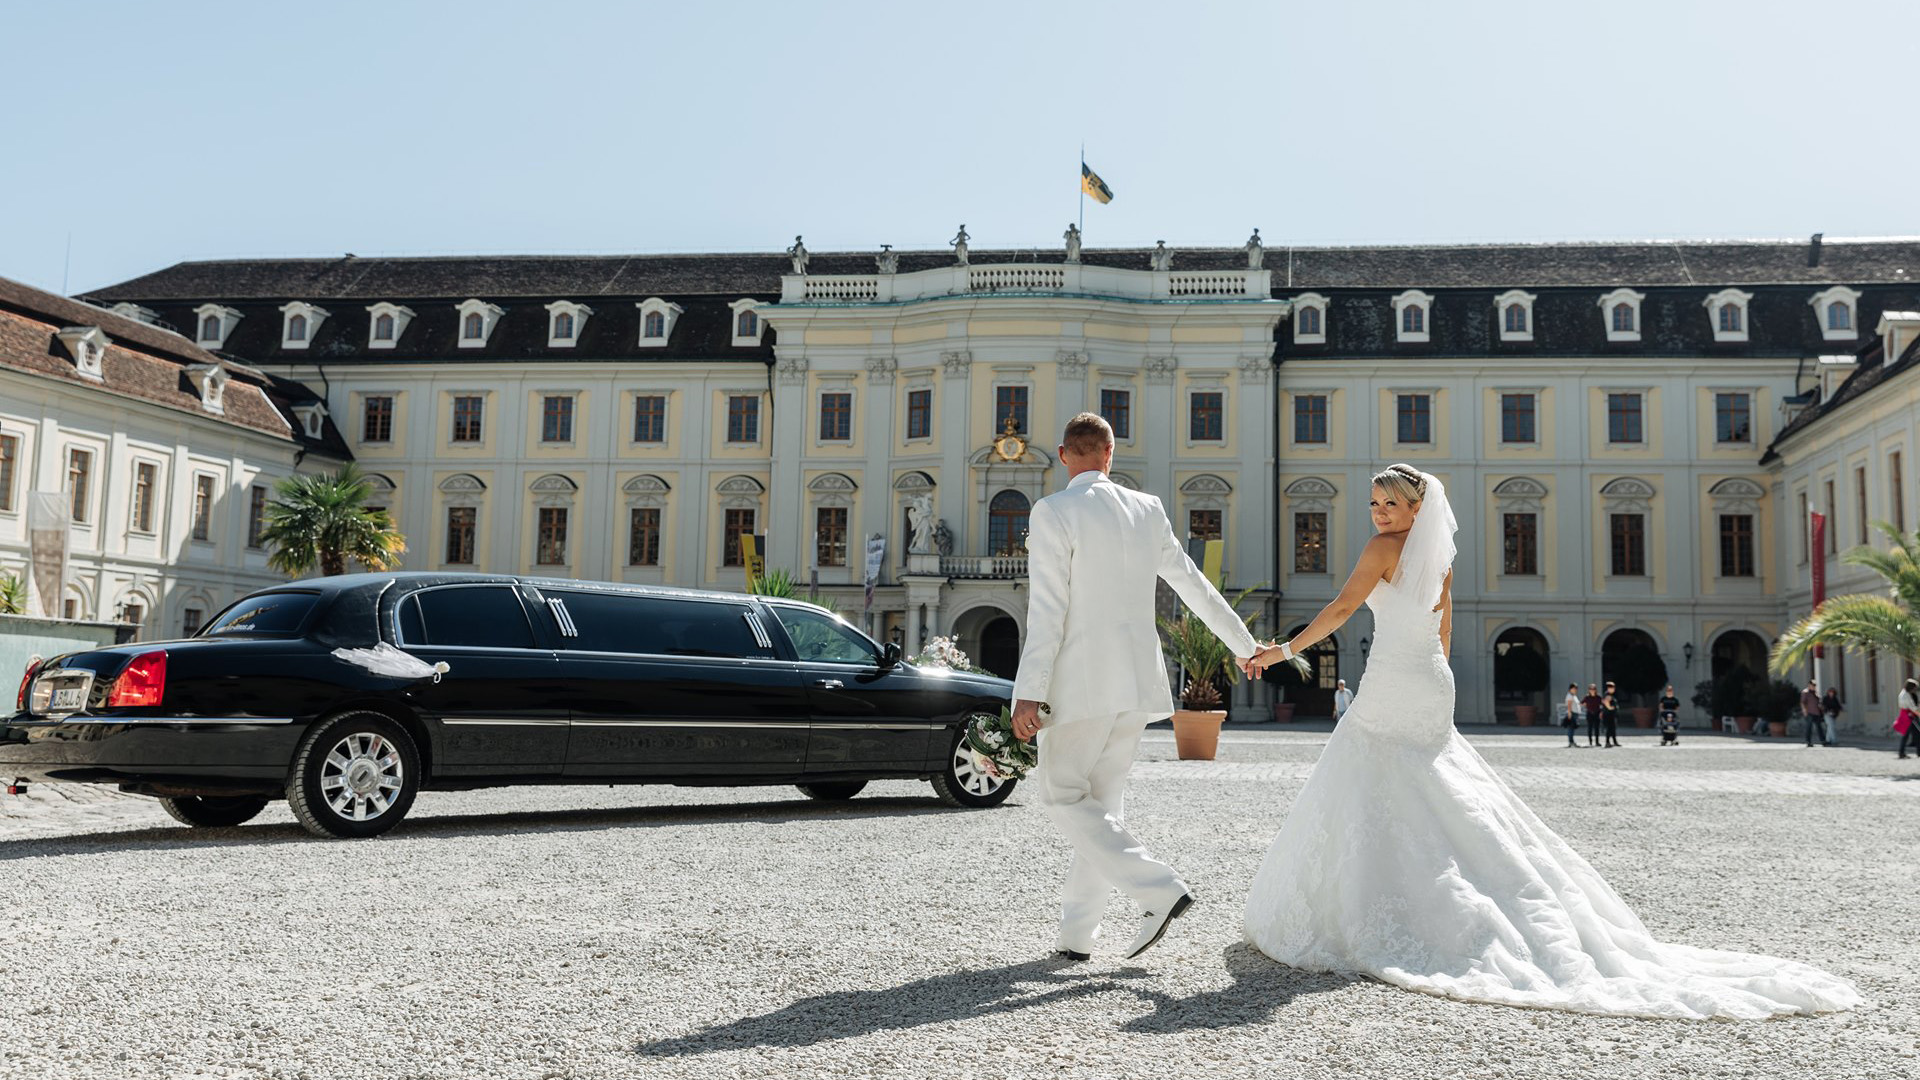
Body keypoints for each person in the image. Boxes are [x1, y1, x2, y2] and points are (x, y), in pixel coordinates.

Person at [1239, 463, 1859, 1017]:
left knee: (1372, 778)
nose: (1378, 514)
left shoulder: (1381, 549)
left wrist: (1284, 650)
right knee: (1432, 784)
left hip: (1399, 676)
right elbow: (1443, 625)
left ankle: (1375, 902)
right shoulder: (1439, 557)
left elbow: (1344, 608)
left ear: (1414, 511)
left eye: (1389, 505)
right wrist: (1437, 678)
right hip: (1429, 675)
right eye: (1374, 505)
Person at [1011, 413, 1257, 962]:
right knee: (1102, 807)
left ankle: (1159, 888)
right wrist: (1243, 644)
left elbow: (1048, 610)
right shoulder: (1148, 510)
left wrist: (1028, 691)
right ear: (1110, 453)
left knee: (1061, 795)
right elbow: (1194, 583)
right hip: (1136, 683)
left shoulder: (1053, 511)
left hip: (1079, 683)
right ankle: (1076, 937)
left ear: (1062, 454)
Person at [1897, 678, 1919, 759]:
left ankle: (1901, 752)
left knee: (1906, 735)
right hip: (1910, 716)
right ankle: (1902, 752)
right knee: (1916, 733)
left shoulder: (1902, 693)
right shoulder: (1906, 695)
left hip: (1904, 714)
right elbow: (1912, 707)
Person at [1802, 679, 1825, 747]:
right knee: (1809, 727)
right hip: (1809, 712)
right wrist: (1804, 711)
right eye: (1813, 685)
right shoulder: (1805, 692)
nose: (1814, 686)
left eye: (1815, 685)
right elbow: (1803, 702)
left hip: (1816, 712)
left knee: (1819, 727)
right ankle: (1808, 741)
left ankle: (1823, 740)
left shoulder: (1815, 692)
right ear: (1809, 685)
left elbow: (1819, 701)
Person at [1582, 682, 1603, 747]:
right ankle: (1590, 742)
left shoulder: (1598, 697)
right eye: (1591, 689)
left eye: (1593, 689)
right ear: (1589, 690)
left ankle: (1597, 742)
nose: (1592, 690)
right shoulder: (1587, 697)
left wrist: (1601, 712)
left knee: (1597, 728)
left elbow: (1602, 705)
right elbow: (1582, 703)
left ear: (1595, 690)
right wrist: (1584, 705)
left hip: (1597, 713)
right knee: (1590, 728)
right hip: (1590, 713)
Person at [1601, 681, 1622, 748]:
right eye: (1612, 687)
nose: (1613, 689)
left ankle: (1614, 741)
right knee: (1610, 729)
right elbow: (1606, 702)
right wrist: (1611, 708)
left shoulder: (1609, 695)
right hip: (1609, 715)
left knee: (1612, 729)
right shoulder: (1608, 695)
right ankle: (1607, 742)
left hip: (1611, 715)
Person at [1561, 682, 1581, 748]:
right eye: (1574, 688)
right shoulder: (1569, 695)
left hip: (1575, 713)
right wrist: (1569, 713)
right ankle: (1571, 741)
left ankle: (1572, 741)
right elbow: (1569, 705)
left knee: (1572, 728)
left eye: (1576, 688)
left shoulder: (1573, 695)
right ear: (1570, 689)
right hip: (1572, 713)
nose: (1575, 690)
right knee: (1571, 728)